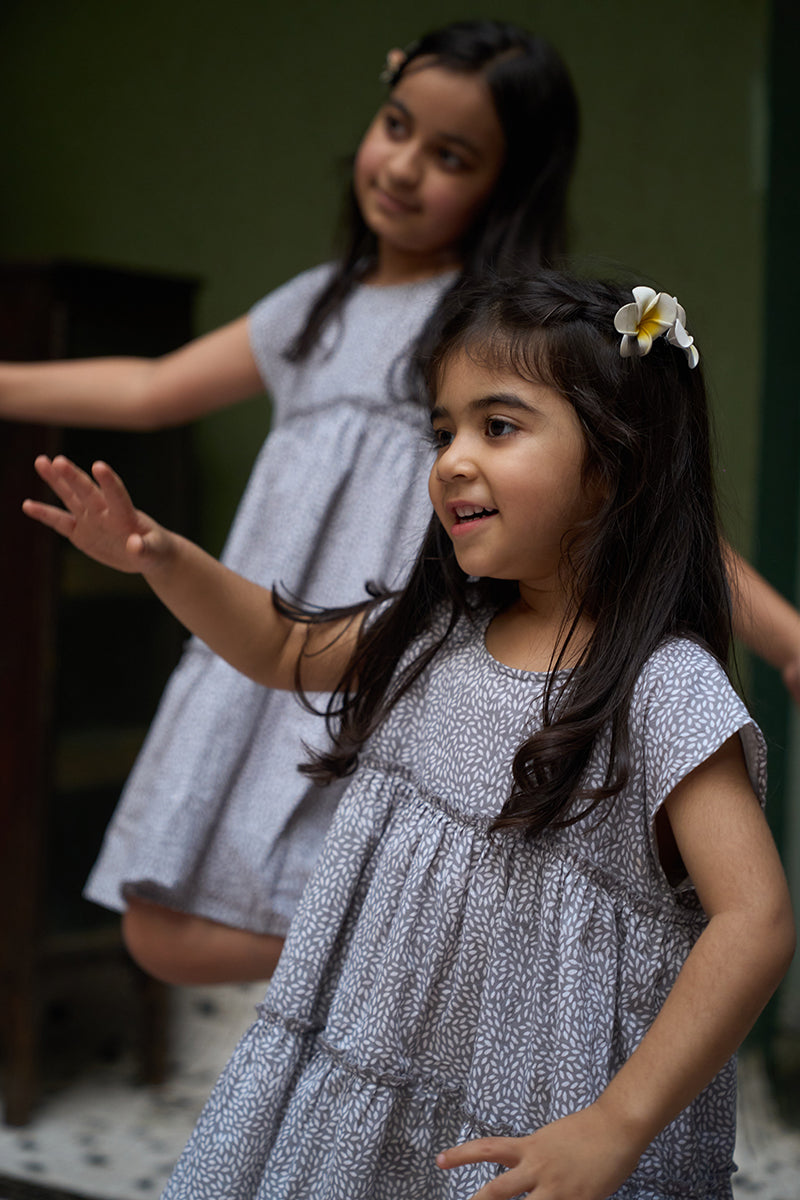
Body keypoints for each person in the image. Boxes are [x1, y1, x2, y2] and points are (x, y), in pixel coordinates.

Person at [4, 21, 800, 989]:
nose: (405, 165)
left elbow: (650, 503)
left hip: (399, 651)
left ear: (508, 182)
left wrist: (786, 639)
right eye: (395, 125)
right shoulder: (318, 306)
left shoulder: (492, 332)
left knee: (237, 909)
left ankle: (424, 959)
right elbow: (150, 387)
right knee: (160, 924)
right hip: (282, 638)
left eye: (452, 155)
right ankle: (412, 965)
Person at [23, 271, 795, 1199]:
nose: (451, 460)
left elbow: (755, 921)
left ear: (615, 465)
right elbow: (279, 645)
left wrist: (616, 1124)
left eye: (496, 427)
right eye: (442, 432)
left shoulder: (664, 689)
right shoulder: (438, 633)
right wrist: (159, 556)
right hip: (375, 1092)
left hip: (545, 1135)